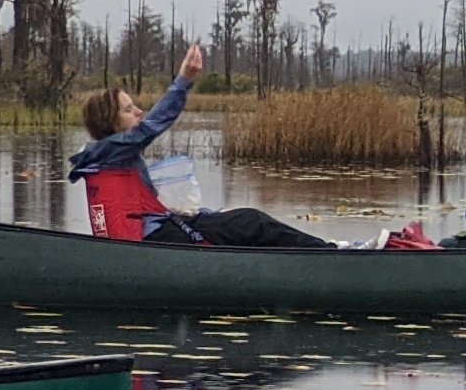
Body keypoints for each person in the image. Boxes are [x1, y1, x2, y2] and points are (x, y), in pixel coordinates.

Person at [71, 43, 328, 247]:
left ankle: (316, 253)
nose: (139, 112)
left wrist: (208, 214)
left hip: (161, 233)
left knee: (239, 223)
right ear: (111, 122)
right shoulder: (111, 151)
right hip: (158, 240)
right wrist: (183, 81)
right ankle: (328, 254)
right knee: (253, 222)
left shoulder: (107, 154)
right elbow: (151, 126)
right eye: (129, 110)